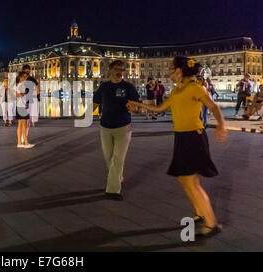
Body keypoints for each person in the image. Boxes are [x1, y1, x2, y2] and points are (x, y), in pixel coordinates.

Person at [127, 56, 227, 238]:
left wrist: (221, 124)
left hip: (194, 138)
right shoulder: (176, 92)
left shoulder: (195, 88)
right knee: (185, 180)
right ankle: (200, 212)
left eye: (171, 70)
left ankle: (212, 224)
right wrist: (139, 105)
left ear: (179, 72)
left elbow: (213, 107)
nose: (169, 73)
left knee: (191, 181)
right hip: (181, 138)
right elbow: (160, 109)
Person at [93, 60, 140, 201]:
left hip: (123, 127)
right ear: (110, 70)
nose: (120, 72)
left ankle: (113, 191)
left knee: (118, 159)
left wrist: (134, 108)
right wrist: (83, 116)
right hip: (105, 127)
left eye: (122, 70)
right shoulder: (104, 87)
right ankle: (118, 178)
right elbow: (95, 103)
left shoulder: (128, 87)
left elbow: (136, 105)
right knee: (109, 158)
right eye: (117, 69)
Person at [15, 71, 35, 148]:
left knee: (20, 125)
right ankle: (25, 143)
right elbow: (17, 94)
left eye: (26, 77)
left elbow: (18, 94)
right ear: (20, 77)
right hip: (21, 106)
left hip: (20, 106)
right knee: (24, 125)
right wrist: (23, 94)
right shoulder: (21, 85)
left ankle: (19, 142)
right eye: (24, 77)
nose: (26, 78)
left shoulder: (20, 85)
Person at [22, 64, 39, 132]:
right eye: (26, 71)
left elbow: (37, 89)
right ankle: (22, 140)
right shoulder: (20, 79)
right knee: (23, 121)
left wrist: (35, 94)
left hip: (29, 100)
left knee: (27, 119)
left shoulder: (32, 79)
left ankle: (24, 140)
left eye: (28, 71)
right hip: (23, 100)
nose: (27, 73)